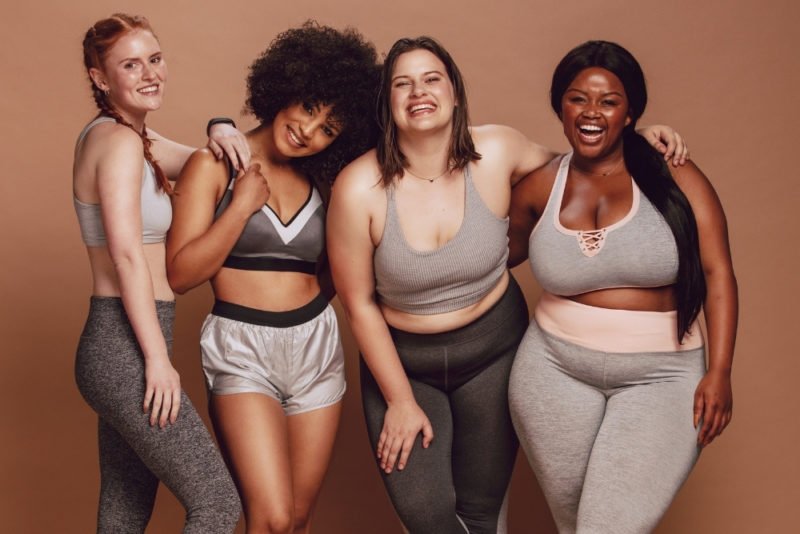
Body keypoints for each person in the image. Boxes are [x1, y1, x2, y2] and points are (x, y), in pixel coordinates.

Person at [326, 36, 687, 534]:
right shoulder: (357, 187)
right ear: (386, 102)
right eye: (401, 84)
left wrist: (639, 140)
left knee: (480, 510)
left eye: (432, 79)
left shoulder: (497, 149)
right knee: (426, 515)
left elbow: (578, 162)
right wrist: (401, 401)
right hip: (404, 366)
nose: (418, 93)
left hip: (494, 352)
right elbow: (360, 303)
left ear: (454, 92)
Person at [507, 40, 737, 533]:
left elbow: (719, 272)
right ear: (560, 107)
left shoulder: (673, 173)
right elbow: (484, 262)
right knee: (576, 526)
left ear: (630, 111)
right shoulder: (539, 186)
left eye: (608, 101)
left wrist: (719, 371)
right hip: (551, 372)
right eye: (577, 99)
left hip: (663, 377)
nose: (591, 113)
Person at [165, 22, 380, 534]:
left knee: (298, 520)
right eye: (309, 107)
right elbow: (180, 273)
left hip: (315, 350)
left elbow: (333, 274)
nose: (309, 130)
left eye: (329, 127)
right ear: (285, 86)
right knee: (271, 517)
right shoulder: (213, 164)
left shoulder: (327, 183)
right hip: (242, 349)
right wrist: (240, 208)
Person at [73, 13, 245, 533]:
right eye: (131, 65)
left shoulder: (134, 139)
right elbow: (127, 257)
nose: (150, 74)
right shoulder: (119, 144)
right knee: (217, 503)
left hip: (125, 339)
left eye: (155, 58)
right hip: (123, 343)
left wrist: (219, 123)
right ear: (100, 78)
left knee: (124, 511)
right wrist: (155, 360)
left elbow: (207, 163)